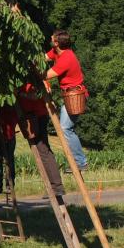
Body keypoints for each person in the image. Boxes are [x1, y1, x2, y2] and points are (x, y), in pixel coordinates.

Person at [45, 29, 89, 170]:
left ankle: (81, 162)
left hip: (75, 96)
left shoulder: (66, 58)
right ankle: (79, 161)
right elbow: (43, 58)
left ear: (57, 43)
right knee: (66, 128)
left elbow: (46, 75)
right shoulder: (57, 52)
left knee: (66, 128)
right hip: (68, 95)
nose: (50, 38)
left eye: (52, 37)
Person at [18, 83, 65, 199]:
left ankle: (57, 186)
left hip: (38, 116)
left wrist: (19, 93)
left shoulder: (35, 80)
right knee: (43, 151)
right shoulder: (27, 80)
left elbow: (37, 95)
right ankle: (55, 186)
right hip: (33, 116)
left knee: (44, 150)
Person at [0, 104, 18, 195]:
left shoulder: (7, 104)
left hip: (7, 135)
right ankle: (2, 186)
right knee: (0, 161)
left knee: (5, 161)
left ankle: (7, 186)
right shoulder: (1, 104)